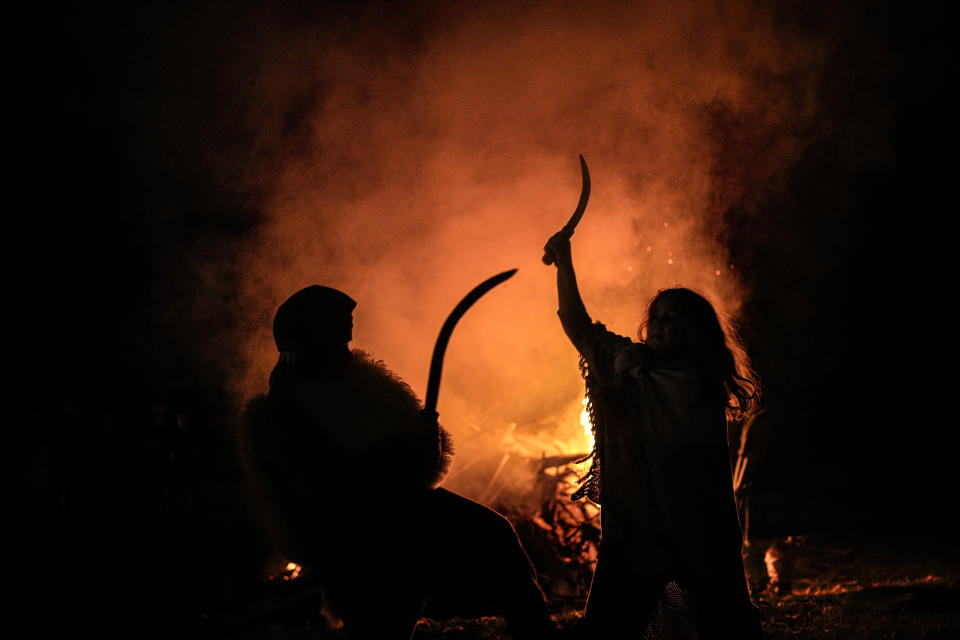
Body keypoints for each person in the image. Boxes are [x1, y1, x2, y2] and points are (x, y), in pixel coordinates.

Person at [243, 285, 558, 640]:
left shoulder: (368, 387)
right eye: (339, 331)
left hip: (403, 514)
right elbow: (330, 486)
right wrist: (399, 454)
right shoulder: (280, 414)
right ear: (315, 337)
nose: (347, 342)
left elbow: (416, 469)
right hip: (347, 536)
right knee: (381, 624)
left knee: (493, 536)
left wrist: (422, 441)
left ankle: (540, 635)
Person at [542, 232, 764, 639]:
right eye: (655, 317)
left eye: (671, 319)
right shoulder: (626, 364)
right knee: (610, 629)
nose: (659, 325)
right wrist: (565, 264)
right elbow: (580, 327)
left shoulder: (701, 382)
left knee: (721, 624)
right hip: (632, 530)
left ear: (694, 330)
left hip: (696, 529)